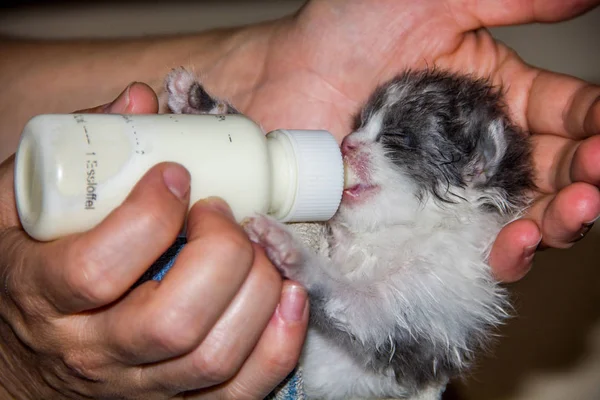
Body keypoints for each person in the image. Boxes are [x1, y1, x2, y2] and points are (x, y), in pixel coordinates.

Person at [0, 0, 598, 398]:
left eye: (393, 139)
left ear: (475, 166)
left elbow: (384, 336)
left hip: (300, 385)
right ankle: (216, 129)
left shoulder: (456, 266)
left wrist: (309, 270)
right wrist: (238, 136)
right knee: (219, 223)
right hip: (262, 347)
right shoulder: (363, 217)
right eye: (362, 123)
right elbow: (284, 195)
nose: (351, 142)